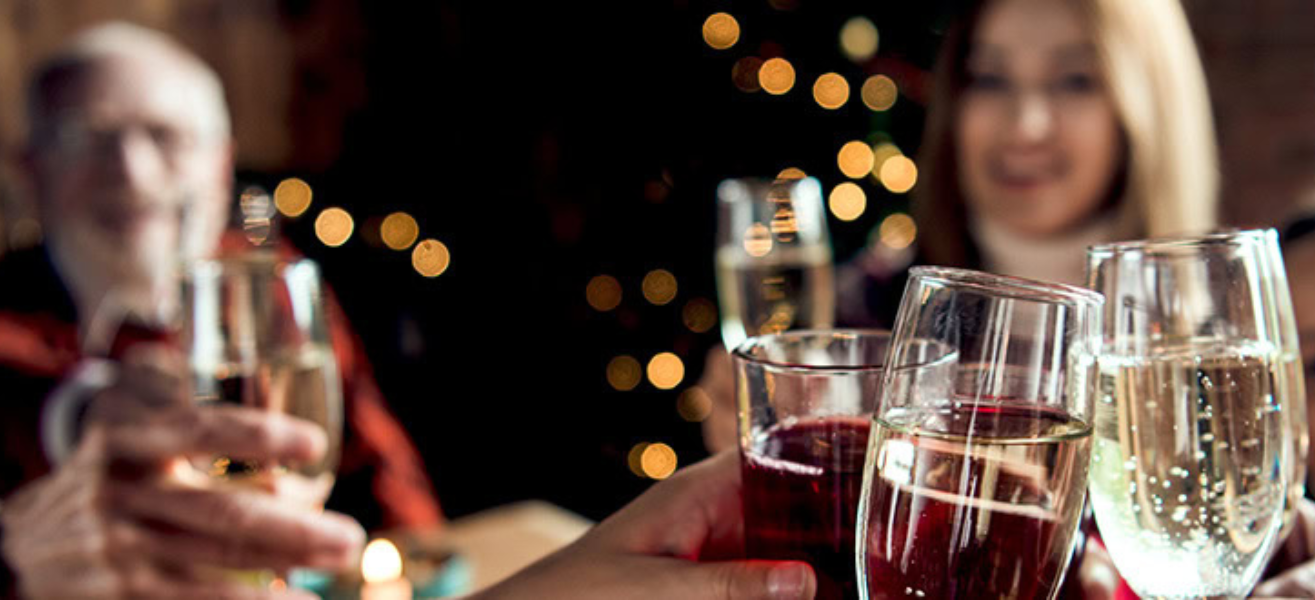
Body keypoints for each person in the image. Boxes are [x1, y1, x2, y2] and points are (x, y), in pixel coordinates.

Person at [0, 22, 441, 597]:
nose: (131, 171)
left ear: (221, 162)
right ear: (30, 170)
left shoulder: (274, 286)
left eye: (166, 136)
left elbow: (387, 480)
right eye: (84, 139)